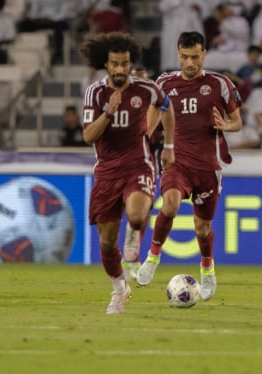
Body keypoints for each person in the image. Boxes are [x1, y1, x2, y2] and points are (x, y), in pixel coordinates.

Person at [136, 31, 243, 302]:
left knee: (202, 228)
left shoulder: (220, 84)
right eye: (185, 57)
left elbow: (237, 122)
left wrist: (225, 125)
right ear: (178, 54)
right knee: (169, 205)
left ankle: (207, 269)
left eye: (195, 57)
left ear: (204, 54)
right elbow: (151, 121)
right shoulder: (164, 82)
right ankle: (152, 257)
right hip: (177, 161)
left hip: (208, 167)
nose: (190, 63)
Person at [79, 32, 175, 314]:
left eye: (125, 64)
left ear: (131, 63)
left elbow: (167, 107)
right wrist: (108, 113)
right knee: (107, 242)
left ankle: (134, 238)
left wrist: (169, 145)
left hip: (138, 164)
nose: (120, 69)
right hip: (107, 171)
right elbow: (88, 136)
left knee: (136, 215)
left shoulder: (146, 90)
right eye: (114, 64)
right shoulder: (95, 93)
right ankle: (120, 289)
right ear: (105, 65)